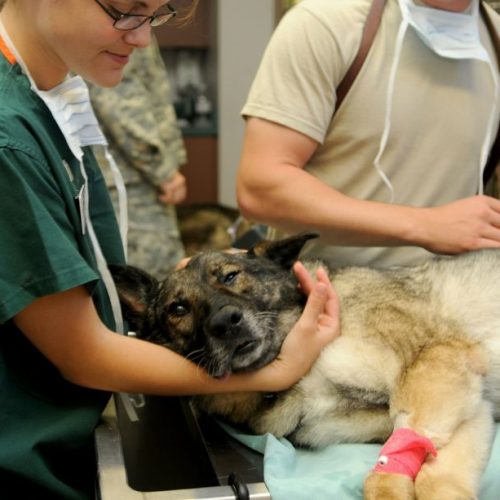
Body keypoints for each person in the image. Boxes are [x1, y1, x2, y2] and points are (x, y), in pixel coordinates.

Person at [0, 1, 340, 498]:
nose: (140, 39)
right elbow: (83, 355)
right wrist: (279, 368)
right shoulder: (11, 138)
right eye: (125, 12)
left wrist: (192, 287)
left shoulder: (51, 97)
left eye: (156, 17)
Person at [237, 0, 500, 269]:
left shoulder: (496, 39)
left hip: (457, 297)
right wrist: (425, 225)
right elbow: (260, 189)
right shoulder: (326, 24)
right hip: (327, 296)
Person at [89, 35, 187, 278]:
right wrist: (162, 170)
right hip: (129, 181)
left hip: (122, 176)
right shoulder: (121, 20)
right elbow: (119, 101)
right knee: (151, 284)